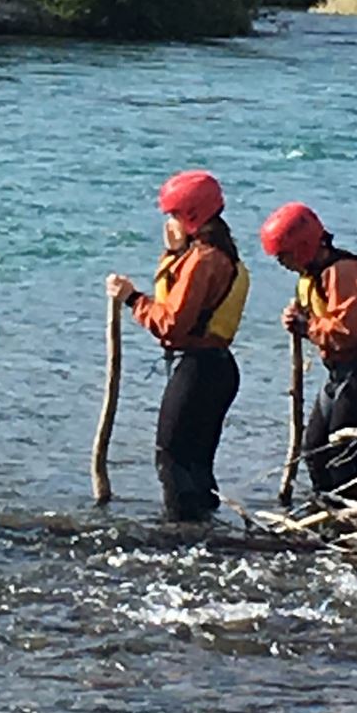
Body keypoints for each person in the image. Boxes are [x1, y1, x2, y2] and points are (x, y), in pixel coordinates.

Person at [107, 170, 248, 522]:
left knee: (170, 456)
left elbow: (172, 322)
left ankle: (181, 532)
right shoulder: (214, 253)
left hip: (199, 368)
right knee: (197, 460)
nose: (167, 223)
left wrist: (132, 298)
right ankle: (204, 529)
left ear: (190, 217)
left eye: (172, 215)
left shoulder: (203, 260)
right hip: (216, 368)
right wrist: (173, 251)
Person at [261, 202, 357, 499]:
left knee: (340, 457)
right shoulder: (313, 275)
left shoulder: (342, 272)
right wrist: (300, 322)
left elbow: (348, 333)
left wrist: (306, 326)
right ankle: (325, 514)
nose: (282, 263)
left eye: (284, 255)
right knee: (314, 451)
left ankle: (348, 521)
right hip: (340, 375)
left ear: (303, 246)